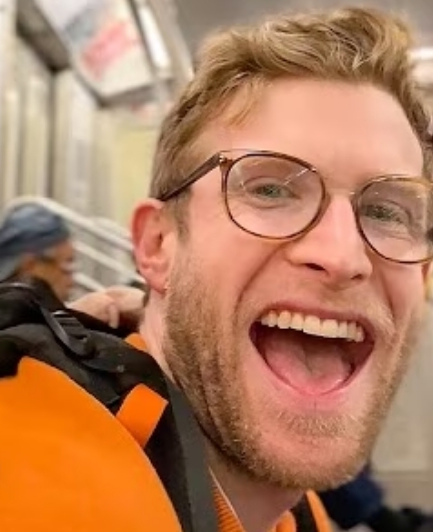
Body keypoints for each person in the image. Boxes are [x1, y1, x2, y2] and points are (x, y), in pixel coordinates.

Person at [127, 5, 432, 532]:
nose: (342, 257)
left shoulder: (286, 509)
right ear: (158, 245)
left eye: (386, 211)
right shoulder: (26, 493)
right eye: (270, 189)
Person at [0, 202, 146, 329]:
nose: (72, 280)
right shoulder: (5, 324)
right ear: (30, 266)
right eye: (67, 264)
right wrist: (75, 316)